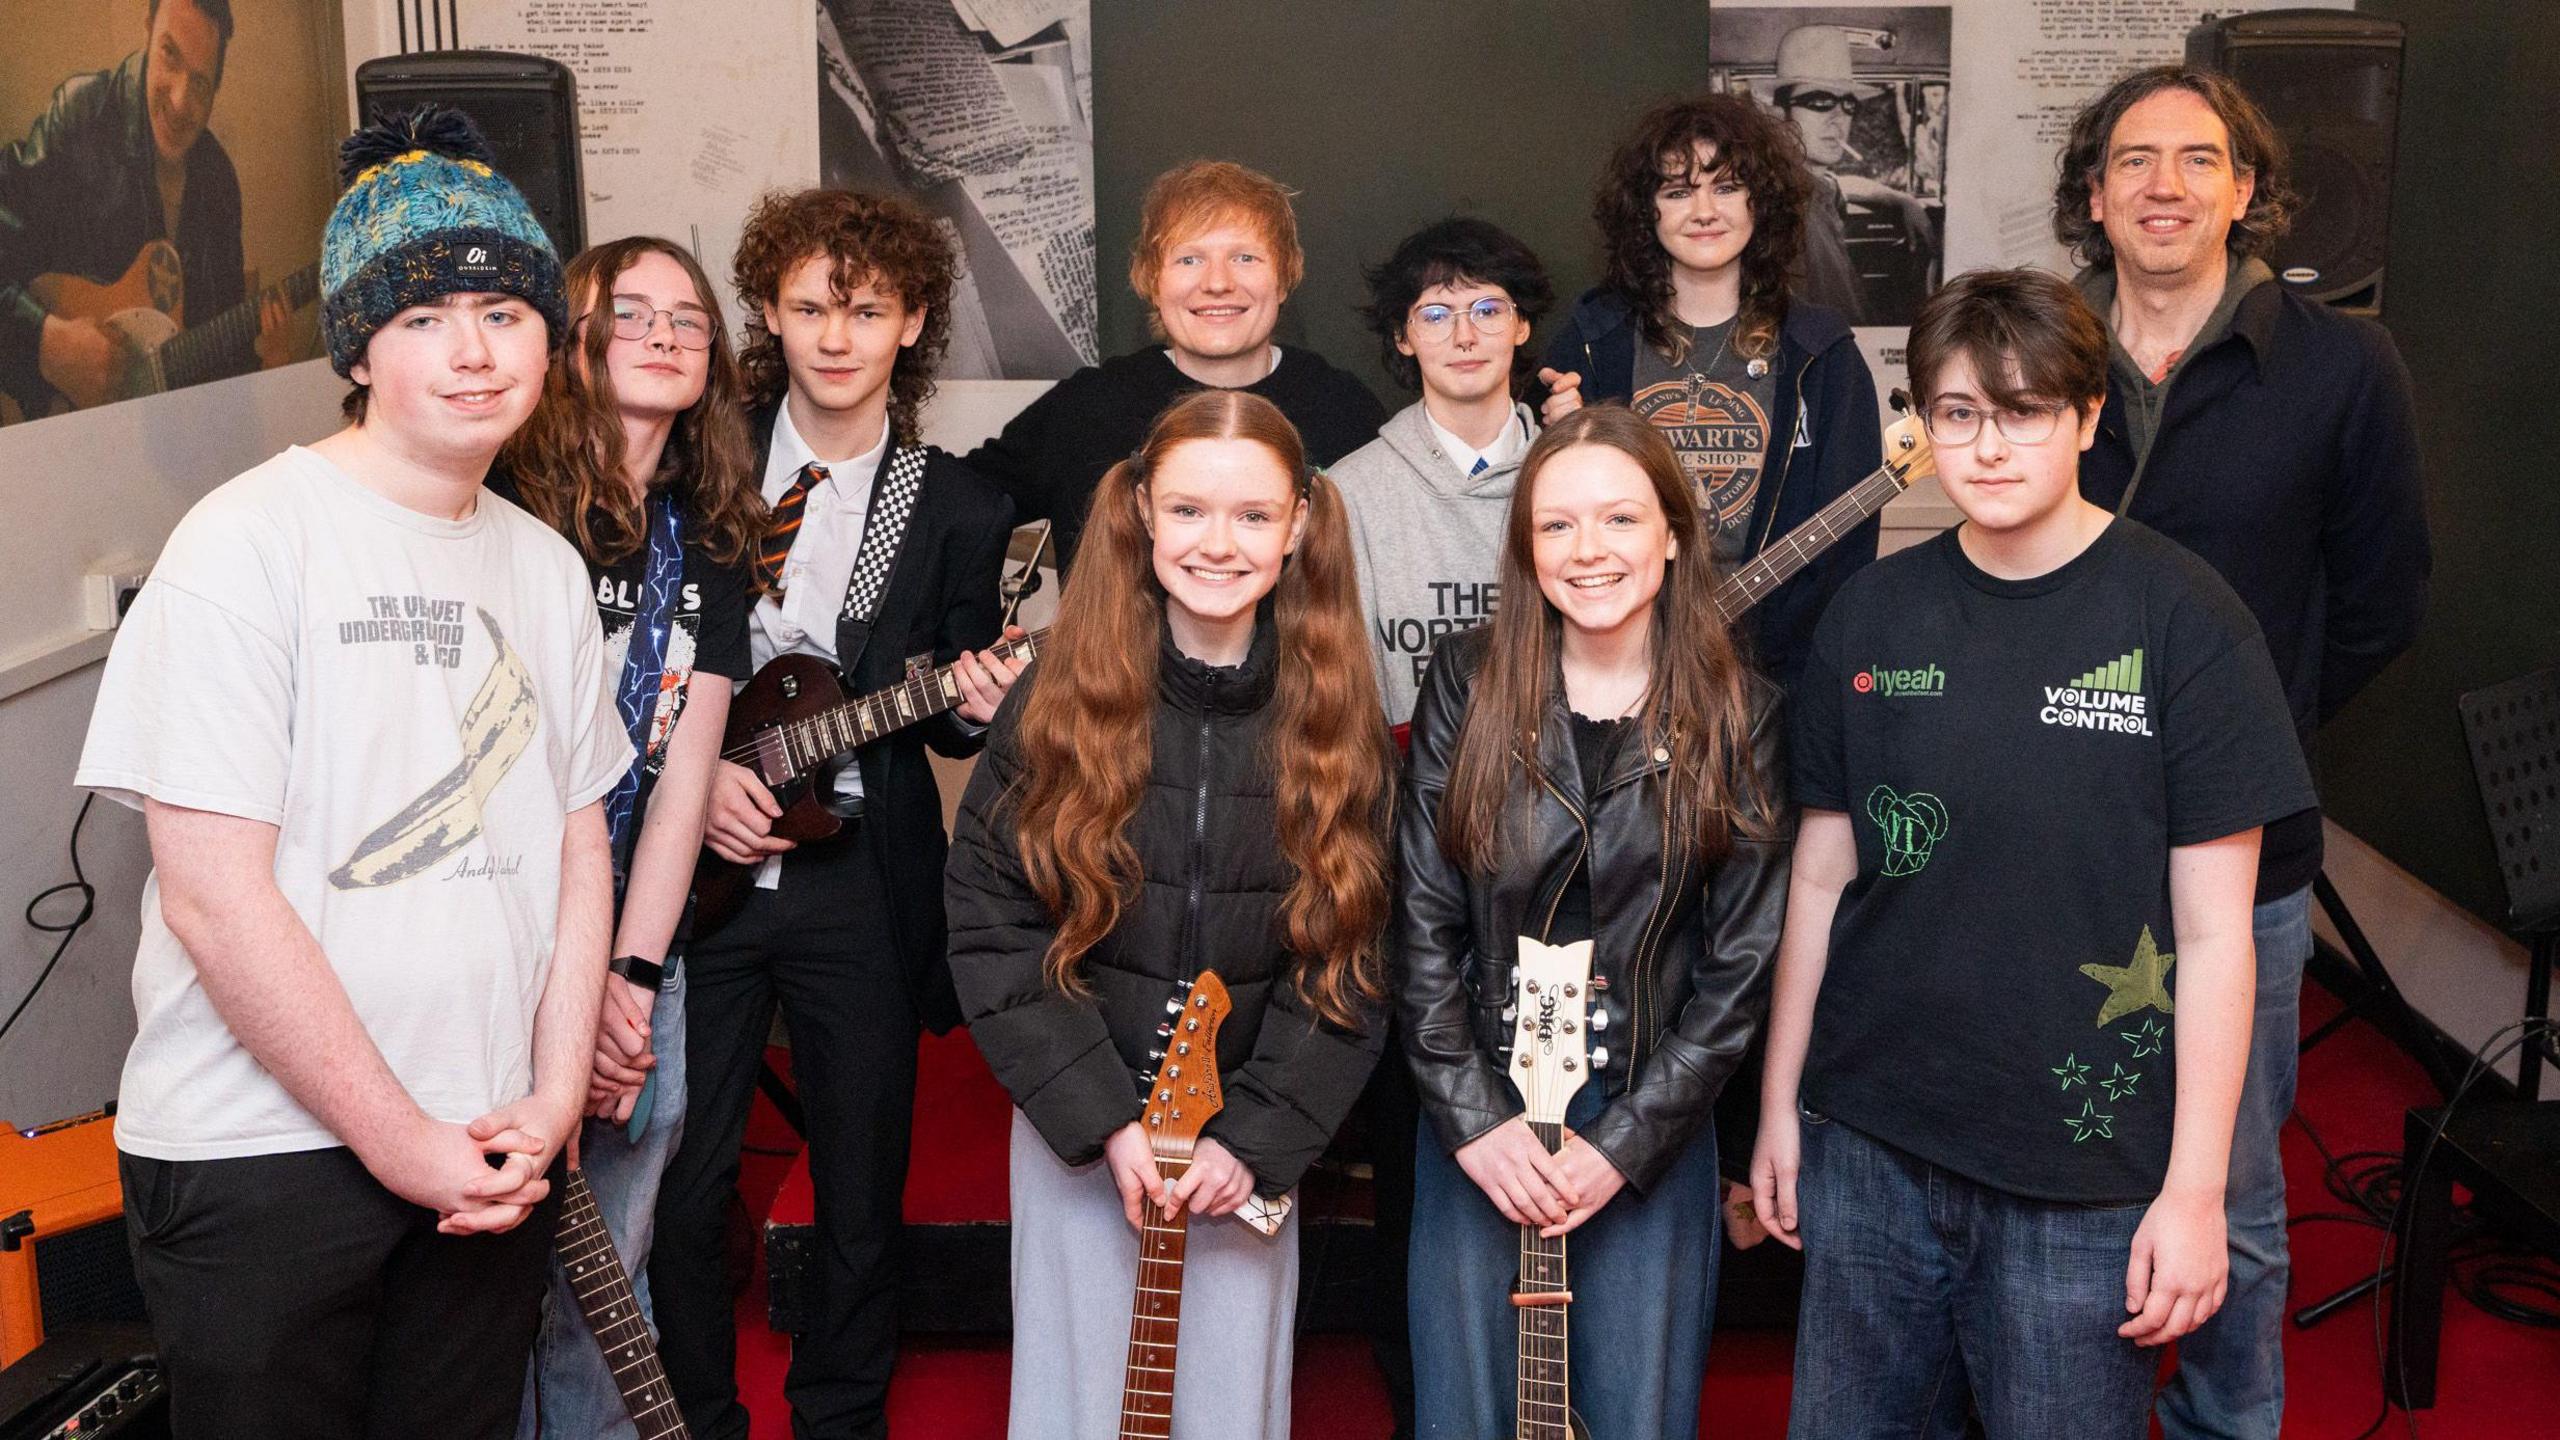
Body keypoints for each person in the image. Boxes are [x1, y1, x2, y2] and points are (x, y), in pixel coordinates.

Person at [73, 107, 620, 1439]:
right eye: (428, 316)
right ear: (360, 345)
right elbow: (212, 895)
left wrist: (551, 1101)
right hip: (264, 1166)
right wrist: (397, 1139)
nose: (476, 350)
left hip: (487, 1144)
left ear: (553, 336)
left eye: (505, 310)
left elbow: (575, 843)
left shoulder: (543, 566)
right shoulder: (249, 542)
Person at [1748, 269, 2317, 1440]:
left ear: (2087, 418)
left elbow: (2218, 940)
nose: (1988, 448)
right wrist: (1778, 1104)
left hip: (2084, 1174)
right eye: (1957, 414)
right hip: (1871, 1141)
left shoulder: (2185, 621)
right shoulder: (1869, 615)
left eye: (2023, 413)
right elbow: (1817, 876)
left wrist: (2198, 1193)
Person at [2053, 66, 2429, 1440]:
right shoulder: (2039, 352)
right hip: (2057, 838)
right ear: (2093, 196)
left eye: (2196, 159)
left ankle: (2223, 1420)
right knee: (2062, 1141)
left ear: (2247, 189)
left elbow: (2384, 599)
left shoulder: (2342, 368)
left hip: (2245, 853)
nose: (2164, 185)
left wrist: (2243, 740)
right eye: (2133, 160)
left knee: (2235, 1186)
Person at [946, 390, 1394, 1440]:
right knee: (1074, 1404)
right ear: (1142, 511)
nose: (1218, 543)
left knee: (1226, 1410)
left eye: (1251, 515)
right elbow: (991, 919)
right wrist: (1102, 1120)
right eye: (1188, 510)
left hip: (1242, 1147)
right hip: (1081, 1130)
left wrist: (1258, 1136)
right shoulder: (1053, 695)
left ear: (1297, 526)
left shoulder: (1337, 714)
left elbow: (1357, 948)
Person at [646, 186, 1020, 1440]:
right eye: (809, 307)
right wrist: (691, 790)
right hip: (685, 867)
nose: (836, 335)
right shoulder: (701, 457)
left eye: (865, 310)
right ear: (766, 311)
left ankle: (841, 1421)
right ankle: (697, 1416)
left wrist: (974, 701)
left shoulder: (956, 504)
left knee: (862, 1188)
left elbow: (963, 713)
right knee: (686, 1188)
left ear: (911, 321)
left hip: (856, 872)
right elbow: (630, 656)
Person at [1397, 404, 1790, 1439]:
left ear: (1670, 532)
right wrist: (1474, 1123)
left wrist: (1621, 1146)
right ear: (1527, 546)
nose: (1589, 552)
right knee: (1466, 1418)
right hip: (1479, 1117)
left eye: (1618, 520)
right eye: (1557, 526)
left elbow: (1741, 966)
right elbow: (1422, 919)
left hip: (1644, 1127)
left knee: (1635, 1417)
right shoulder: (1467, 681)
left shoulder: (1738, 711)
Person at [486, 235, 760, 1439]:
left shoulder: (708, 539)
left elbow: (687, 777)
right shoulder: (500, 508)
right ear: (574, 338)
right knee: (496, 1281)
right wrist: (571, 981)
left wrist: (635, 975)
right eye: (630, 311)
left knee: (618, 1263)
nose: (663, 334)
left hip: (645, 953)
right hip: (501, 951)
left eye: (688, 318)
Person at [1539, 94, 1880, 694]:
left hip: (1775, 678)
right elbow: (1548, 521)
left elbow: (1847, 554)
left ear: (1761, 203)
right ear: (1647, 213)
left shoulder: (1823, 355)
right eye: (1677, 192)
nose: (1703, 211)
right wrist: (1558, 438)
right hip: (1618, 667)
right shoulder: (1591, 346)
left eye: (1726, 188)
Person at [965, 159, 1386, 570]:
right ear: (1152, 281)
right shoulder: (1087, 409)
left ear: (1284, 277)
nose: (1217, 283)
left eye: (1245, 258)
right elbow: (949, 510)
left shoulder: (1344, 410)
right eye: (1189, 259)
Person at [0, 0, 293, 415]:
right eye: (169, 55)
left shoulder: (218, 182)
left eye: (200, 83)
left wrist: (270, 365)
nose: (178, 100)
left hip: (173, 447)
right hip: (71, 439)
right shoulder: (83, 114)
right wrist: (45, 345)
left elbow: (220, 366)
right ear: (147, 29)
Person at [1333, 216, 1554, 729]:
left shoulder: (1574, 482)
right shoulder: (1349, 492)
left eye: (1488, 310)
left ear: (1522, 325)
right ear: (1402, 336)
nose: (1465, 336)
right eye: (1435, 315)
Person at [1768, 24, 1937, 326]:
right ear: (1781, 117)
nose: (1839, 118)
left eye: (1848, 104)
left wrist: (1903, 200)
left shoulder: (1815, 186)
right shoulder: (1777, 205)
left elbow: (1842, 185)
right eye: (1820, 102)